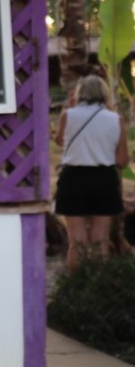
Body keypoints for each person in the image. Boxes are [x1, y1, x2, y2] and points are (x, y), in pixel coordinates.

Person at [53, 75, 128, 271]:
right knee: (100, 239)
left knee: (76, 242)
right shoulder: (116, 120)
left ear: (79, 94)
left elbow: (60, 140)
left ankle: (76, 284)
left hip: (73, 178)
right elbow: (122, 161)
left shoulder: (68, 115)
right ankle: (98, 284)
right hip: (103, 179)